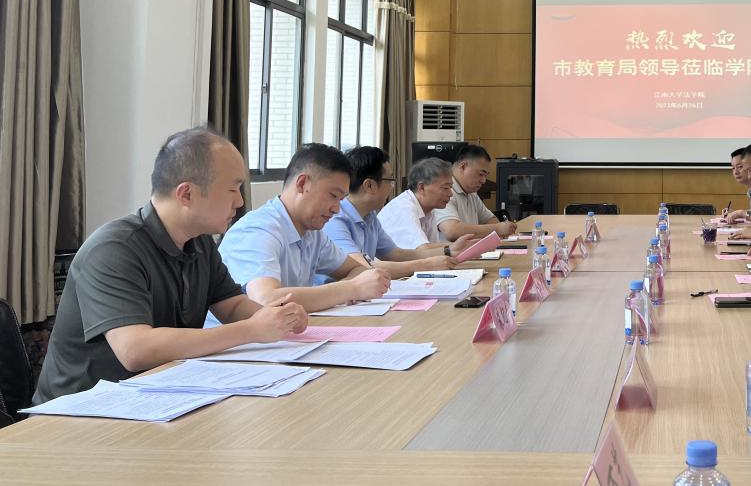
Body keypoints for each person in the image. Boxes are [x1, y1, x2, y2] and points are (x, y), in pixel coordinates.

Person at [32, 128, 308, 403]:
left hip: (159, 394)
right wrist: (250, 330)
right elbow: (135, 350)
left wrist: (278, 318)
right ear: (186, 194)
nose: (240, 201)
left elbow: (232, 306)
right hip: (84, 408)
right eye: (232, 189)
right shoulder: (114, 249)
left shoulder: (199, 242)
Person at [217, 143, 392, 314]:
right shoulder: (258, 229)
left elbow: (358, 269)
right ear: (302, 184)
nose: (337, 209)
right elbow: (267, 300)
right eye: (333, 196)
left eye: (341, 200)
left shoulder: (313, 234)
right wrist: (351, 289)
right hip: (240, 334)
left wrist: (346, 289)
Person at [321, 147, 474, 280]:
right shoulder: (336, 219)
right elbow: (361, 268)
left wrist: (448, 250)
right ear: (369, 185)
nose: (392, 187)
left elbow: (396, 255)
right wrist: (425, 265)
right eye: (390, 180)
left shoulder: (369, 216)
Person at [378, 156, 461, 249]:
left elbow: (431, 249)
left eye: (450, 188)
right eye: (445, 188)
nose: (450, 194)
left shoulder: (429, 210)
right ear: (421, 188)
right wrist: (460, 246)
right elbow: (422, 250)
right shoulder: (403, 208)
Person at [435, 145, 514, 240]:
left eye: (485, 175)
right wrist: (497, 229)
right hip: (448, 249)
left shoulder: (471, 192)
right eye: (481, 174)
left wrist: (500, 228)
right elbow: (452, 231)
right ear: (463, 166)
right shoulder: (444, 190)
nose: (483, 181)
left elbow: (490, 219)